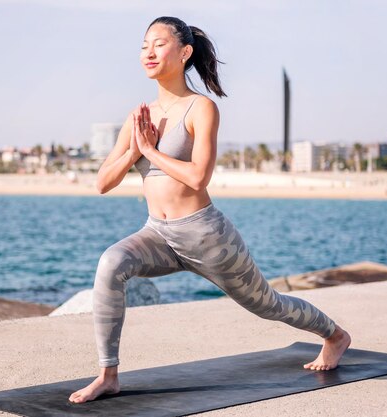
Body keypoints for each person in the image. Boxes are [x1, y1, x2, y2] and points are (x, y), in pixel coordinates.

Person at [68, 16, 351, 404]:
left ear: (184, 53)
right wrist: (135, 148)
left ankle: (334, 335)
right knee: (111, 263)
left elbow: (199, 177)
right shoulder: (138, 119)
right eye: (143, 45)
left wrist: (150, 152)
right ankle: (108, 375)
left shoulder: (200, 108)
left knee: (267, 304)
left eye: (159, 44)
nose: (148, 52)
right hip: (158, 234)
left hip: (206, 236)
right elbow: (102, 182)